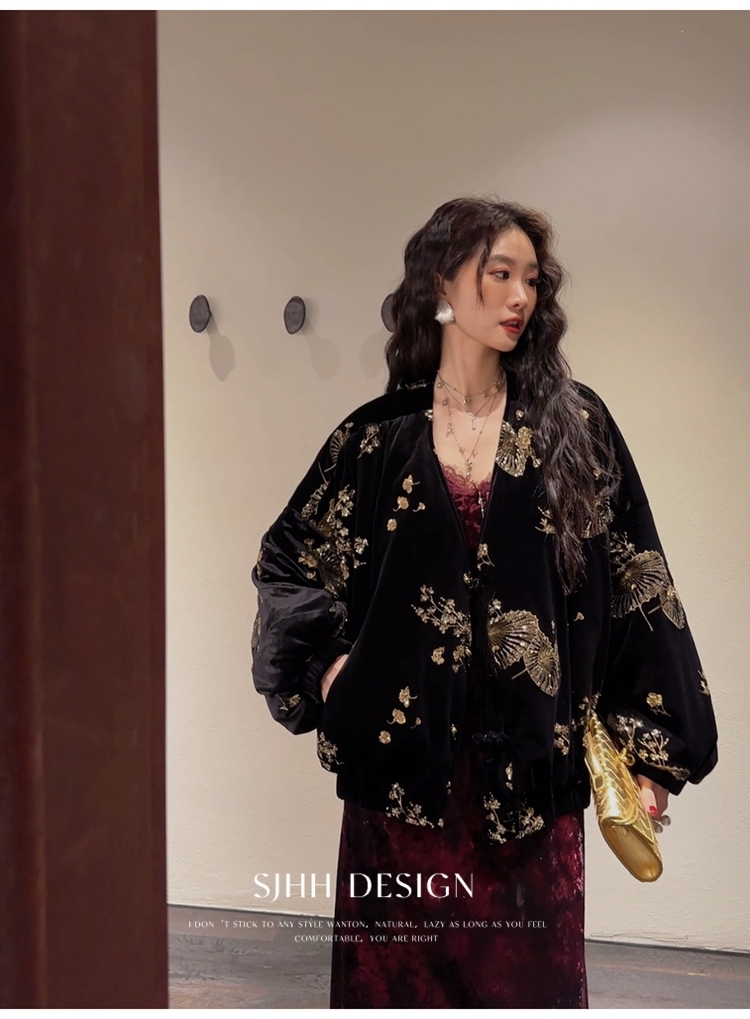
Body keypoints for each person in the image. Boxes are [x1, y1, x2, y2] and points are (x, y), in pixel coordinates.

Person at [250, 197, 719, 1008]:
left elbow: (638, 576)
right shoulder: (374, 439)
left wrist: (652, 751)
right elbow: (287, 562)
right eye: (499, 274)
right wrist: (329, 671)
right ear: (442, 282)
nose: (519, 296)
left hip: (530, 791)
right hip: (399, 795)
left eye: (531, 279)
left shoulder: (576, 428)